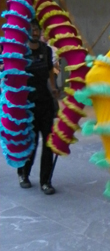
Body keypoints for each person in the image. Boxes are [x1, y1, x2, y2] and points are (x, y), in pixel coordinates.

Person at [17, 20, 57, 194]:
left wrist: (54, 87)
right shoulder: (20, 52)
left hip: (46, 102)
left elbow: (49, 71)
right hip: (28, 104)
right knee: (30, 143)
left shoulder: (46, 50)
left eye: (36, 29)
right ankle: (23, 173)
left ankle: (45, 181)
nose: (34, 31)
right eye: (31, 28)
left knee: (49, 143)